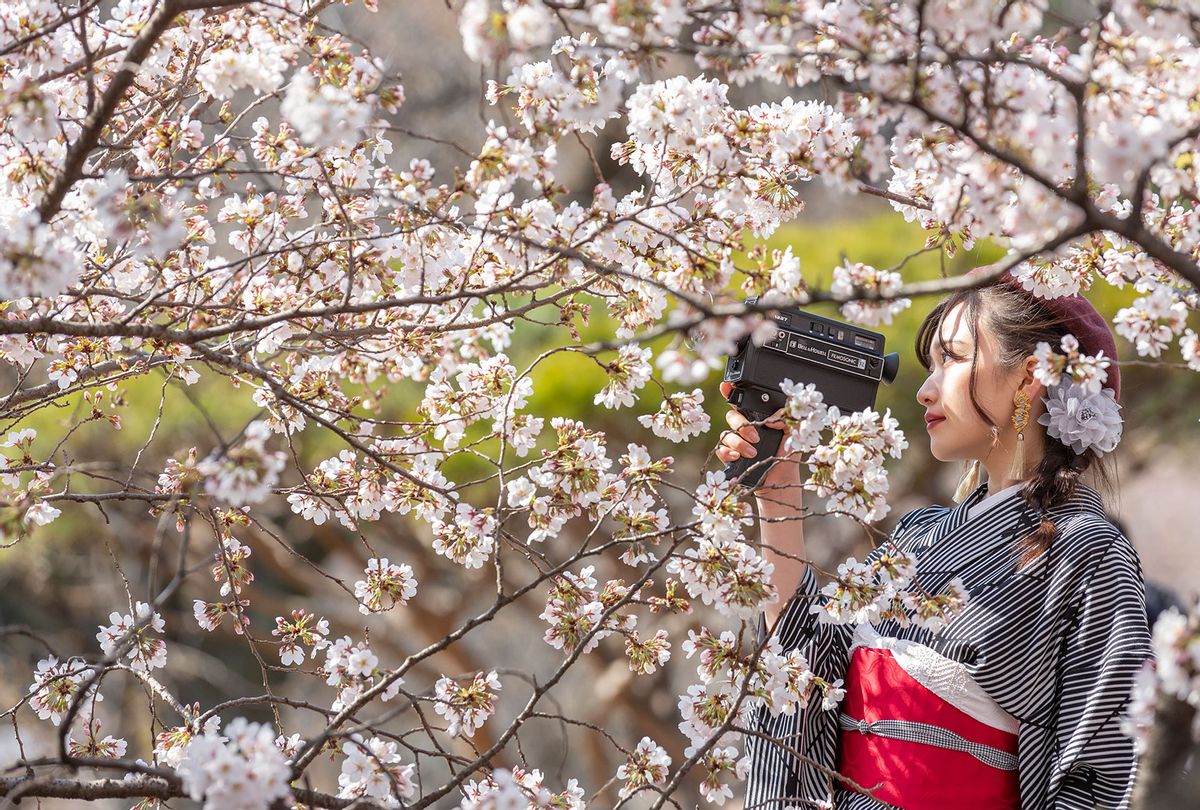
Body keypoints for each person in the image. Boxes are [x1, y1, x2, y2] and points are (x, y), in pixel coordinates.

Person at [719, 269, 1153, 809]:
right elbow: (806, 672)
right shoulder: (919, 533)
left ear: (1029, 377)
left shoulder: (1088, 550)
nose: (926, 388)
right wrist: (779, 490)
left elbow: (1096, 772)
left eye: (952, 358)